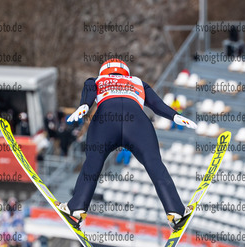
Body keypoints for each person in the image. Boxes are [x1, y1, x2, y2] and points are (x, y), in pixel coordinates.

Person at [55, 58, 197, 230]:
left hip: (106, 121)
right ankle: (176, 212)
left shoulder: (97, 80)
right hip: (137, 123)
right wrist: (175, 116)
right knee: (155, 165)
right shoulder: (137, 82)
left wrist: (83, 106)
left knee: (92, 165)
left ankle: (76, 209)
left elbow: (89, 93)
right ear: (126, 73)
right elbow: (157, 105)